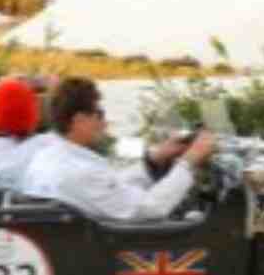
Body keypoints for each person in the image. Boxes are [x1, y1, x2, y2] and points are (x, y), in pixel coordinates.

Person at [22, 77, 216, 221]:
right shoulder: (79, 172)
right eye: (99, 114)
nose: (105, 123)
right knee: (195, 218)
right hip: (113, 251)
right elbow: (150, 208)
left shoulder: (49, 156)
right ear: (79, 120)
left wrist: (154, 159)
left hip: (85, 242)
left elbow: (111, 187)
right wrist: (189, 161)